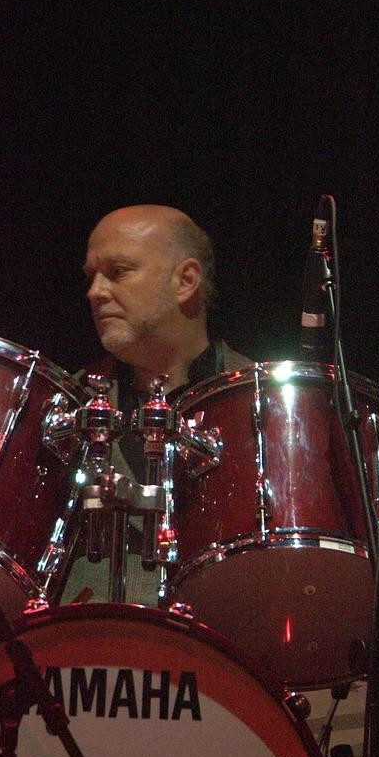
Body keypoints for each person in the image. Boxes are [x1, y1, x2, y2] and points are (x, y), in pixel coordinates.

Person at [59, 203, 250, 606]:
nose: (94, 292)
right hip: (80, 653)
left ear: (186, 281)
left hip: (222, 648)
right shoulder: (62, 403)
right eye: (91, 276)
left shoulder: (261, 404)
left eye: (118, 272)